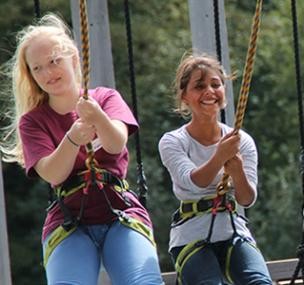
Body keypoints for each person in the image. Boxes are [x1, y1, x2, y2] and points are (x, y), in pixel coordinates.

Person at [0, 13, 163, 284]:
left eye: (54, 61)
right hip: (69, 219)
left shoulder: (105, 98)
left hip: (118, 211)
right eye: (37, 68)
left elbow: (116, 142)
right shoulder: (33, 121)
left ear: (73, 59)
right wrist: (72, 139)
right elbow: (53, 174)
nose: (48, 73)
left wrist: (98, 117)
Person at [158, 53, 272, 285]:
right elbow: (193, 181)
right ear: (185, 96)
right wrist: (219, 157)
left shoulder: (242, 141)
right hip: (190, 236)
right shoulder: (173, 142)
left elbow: (247, 198)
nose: (209, 91)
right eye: (199, 86)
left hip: (232, 232)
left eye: (215, 84)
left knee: (259, 282)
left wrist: (238, 171)